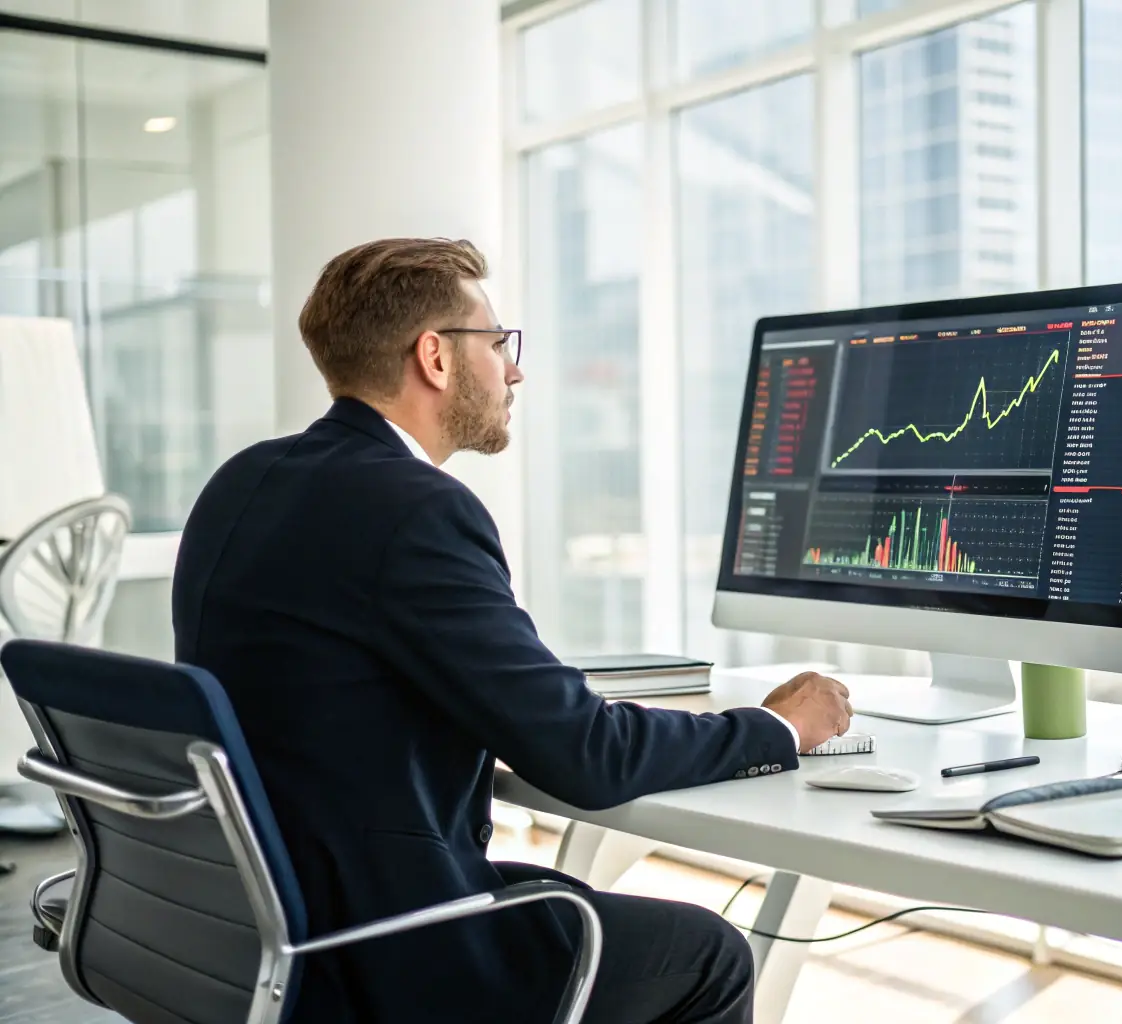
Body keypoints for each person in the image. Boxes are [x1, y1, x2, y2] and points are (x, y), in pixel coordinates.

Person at [171, 237, 852, 1024]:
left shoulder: (245, 478)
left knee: (568, 900)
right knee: (706, 955)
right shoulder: (414, 509)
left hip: (256, 922)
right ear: (435, 356)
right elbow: (586, 758)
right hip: (384, 947)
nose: (514, 369)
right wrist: (777, 727)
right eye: (497, 344)